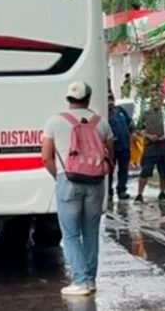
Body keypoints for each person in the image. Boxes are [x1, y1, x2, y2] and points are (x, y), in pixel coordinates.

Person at [41, 81, 114, 296]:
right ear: (89, 98)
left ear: (68, 99)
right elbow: (111, 155)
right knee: (90, 232)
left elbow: (46, 156)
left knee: (71, 234)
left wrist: (59, 175)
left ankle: (80, 281)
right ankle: (90, 280)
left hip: (68, 181)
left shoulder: (54, 122)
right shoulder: (102, 124)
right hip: (95, 182)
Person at [135, 93, 165, 203]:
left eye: (158, 99)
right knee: (145, 171)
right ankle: (139, 194)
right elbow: (137, 130)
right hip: (150, 148)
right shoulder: (145, 114)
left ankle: (162, 192)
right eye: (153, 99)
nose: (156, 101)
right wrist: (149, 136)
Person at [108, 91, 133, 201]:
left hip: (124, 146)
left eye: (111, 99)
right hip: (111, 148)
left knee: (123, 169)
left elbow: (130, 125)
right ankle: (109, 191)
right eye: (108, 99)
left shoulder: (120, 110)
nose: (110, 102)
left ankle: (121, 190)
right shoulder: (103, 113)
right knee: (109, 170)